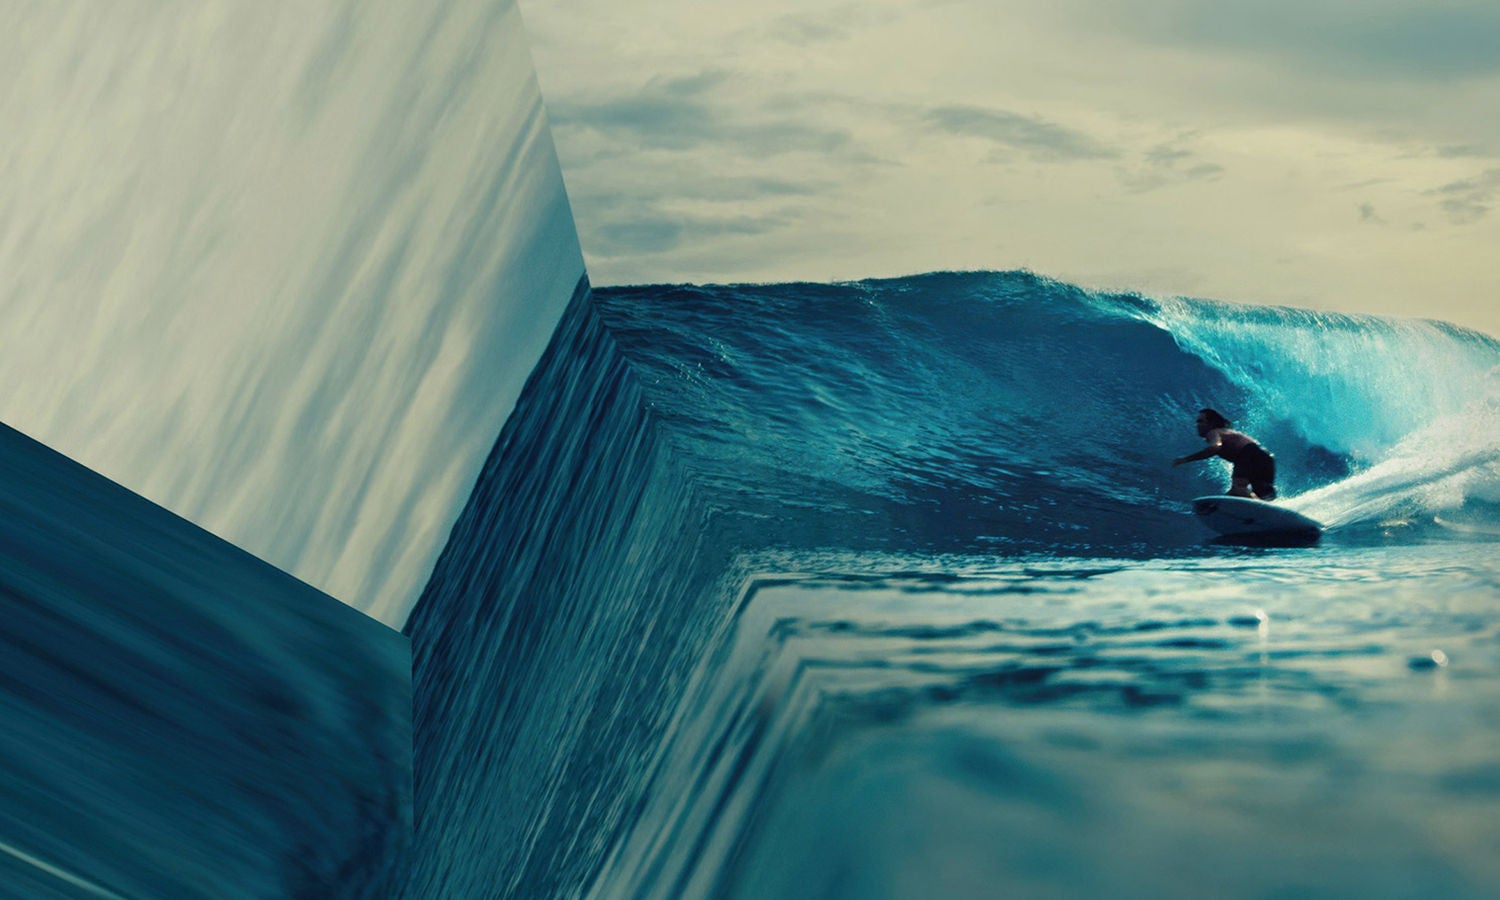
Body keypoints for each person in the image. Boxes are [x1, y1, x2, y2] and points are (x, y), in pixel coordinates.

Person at [1172, 408, 1277, 500]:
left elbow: (1215, 447)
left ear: (1211, 424)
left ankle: (1258, 507)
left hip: (1247, 454)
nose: (1197, 425)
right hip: (1266, 457)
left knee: (1238, 489)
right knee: (1263, 494)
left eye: (1200, 421)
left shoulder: (1213, 432)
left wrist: (1186, 459)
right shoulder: (1228, 432)